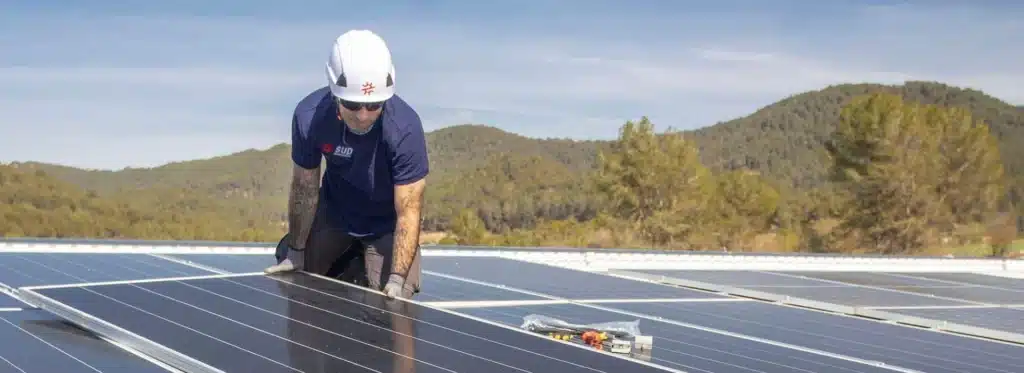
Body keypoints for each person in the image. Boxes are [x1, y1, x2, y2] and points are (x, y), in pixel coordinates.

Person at [264, 29, 429, 301]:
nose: (363, 116)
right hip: (335, 214)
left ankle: (364, 260)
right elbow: (305, 187)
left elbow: (409, 209)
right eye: (352, 104)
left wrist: (398, 278)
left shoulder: (405, 129)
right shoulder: (310, 117)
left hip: (385, 224)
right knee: (296, 270)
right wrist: (296, 251)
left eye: (374, 105)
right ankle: (348, 259)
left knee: (394, 299)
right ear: (334, 94)